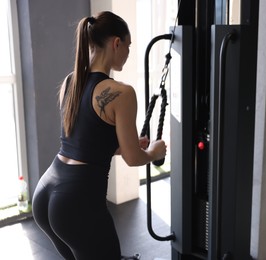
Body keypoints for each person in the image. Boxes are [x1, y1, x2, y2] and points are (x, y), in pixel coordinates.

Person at [32, 11, 166, 260]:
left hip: (46, 193)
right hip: (77, 201)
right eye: (128, 46)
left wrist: (125, 145)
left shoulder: (70, 82)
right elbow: (133, 159)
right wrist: (153, 152)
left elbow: (84, 143)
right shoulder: (121, 93)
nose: (128, 52)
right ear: (117, 43)